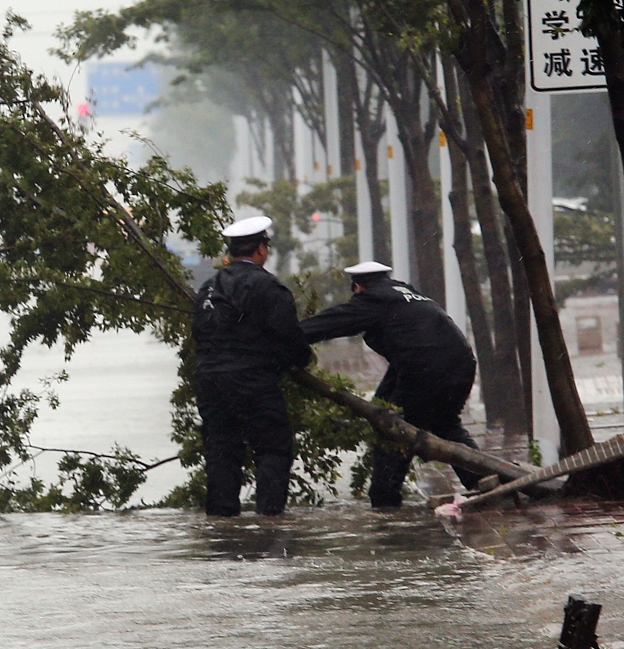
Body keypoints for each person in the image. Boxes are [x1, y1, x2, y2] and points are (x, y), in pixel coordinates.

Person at [300, 261, 484, 506]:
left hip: (425, 370)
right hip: (460, 365)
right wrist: (377, 409)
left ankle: (385, 504)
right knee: (444, 423)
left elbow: (331, 322)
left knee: (393, 433)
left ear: (357, 286)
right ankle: (482, 479)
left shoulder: (374, 299)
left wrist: (291, 336)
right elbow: (395, 376)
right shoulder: (409, 294)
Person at [192, 215, 313, 519]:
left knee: (221, 451)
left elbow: (199, 334)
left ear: (230, 252)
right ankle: (269, 523)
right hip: (252, 381)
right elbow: (289, 338)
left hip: (209, 382)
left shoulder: (208, 288)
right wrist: (301, 361)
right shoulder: (268, 286)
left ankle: (222, 526)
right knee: (272, 448)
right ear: (261, 250)